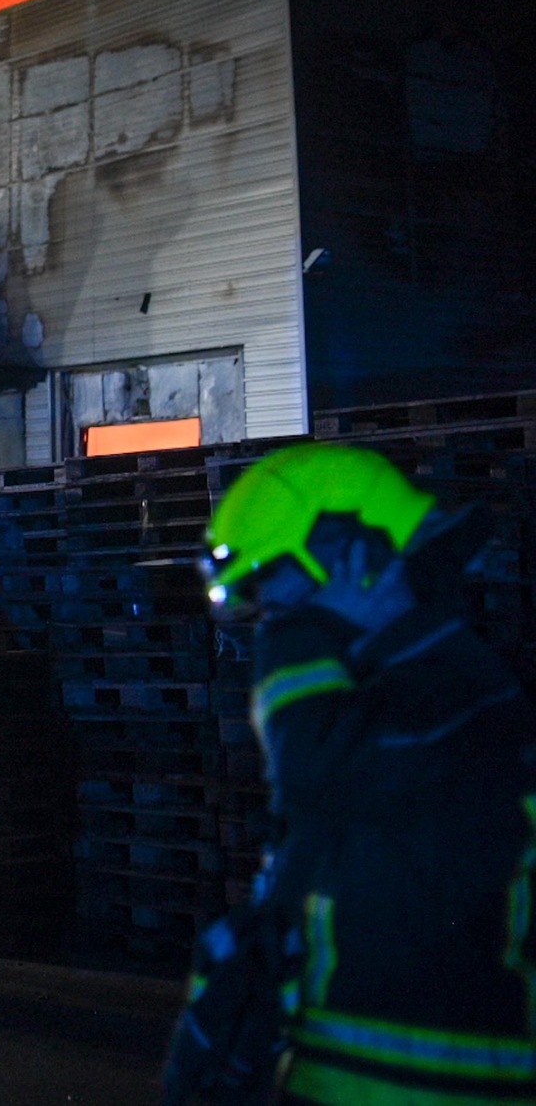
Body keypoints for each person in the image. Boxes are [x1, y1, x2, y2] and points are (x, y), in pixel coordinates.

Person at [164, 443, 536, 1105]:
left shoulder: (460, 712)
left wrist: (304, 636)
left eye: (284, 606)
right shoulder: (393, 714)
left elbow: (315, 761)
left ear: (356, 560)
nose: (274, 634)